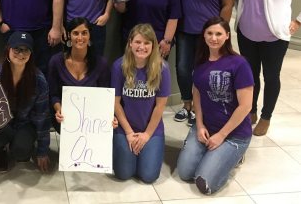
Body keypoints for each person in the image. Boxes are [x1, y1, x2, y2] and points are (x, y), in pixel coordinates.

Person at [233, 0, 301, 136]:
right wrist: (237, 6)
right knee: (250, 76)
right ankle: (250, 111)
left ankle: (266, 117)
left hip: (274, 37)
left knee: (271, 77)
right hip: (246, 34)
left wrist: (298, 21)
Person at [177, 16, 254, 194]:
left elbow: (246, 106)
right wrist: (199, 124)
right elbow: (197, 93)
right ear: (203, 35)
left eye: (219, 33)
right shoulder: (201, 61)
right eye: (210, 33)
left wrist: (221, 135)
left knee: (205, 184)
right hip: (206, 127)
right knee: (185, 172)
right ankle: (212, 155)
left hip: (233, 135)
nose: (214, 38)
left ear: (227, 36)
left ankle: (234, 156)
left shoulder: (239, 63)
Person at [174, 0, 235, 126]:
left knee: (205, 72)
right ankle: (187, 106)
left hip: (209, 35)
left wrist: (219, 31)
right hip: (185, 30)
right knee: (183, 69)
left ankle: (203, 109)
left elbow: (227, 4)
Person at [0, 31, 51, 173]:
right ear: (8, 50)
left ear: (31, 54)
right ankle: (2, 150)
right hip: (3, 123)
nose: (20, 53)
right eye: (16, 49)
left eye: (26, 49)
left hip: (25, 123)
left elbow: (42, 117)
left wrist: (42, 151)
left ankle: (19, 143)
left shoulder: (39, 80)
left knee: (22, 152)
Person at [111, 23, 171, 183]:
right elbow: (115, 103)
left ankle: (146, 153)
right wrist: (129, 133)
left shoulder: (162, 68)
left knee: (149, 176)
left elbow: (160, 106)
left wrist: (146, 135)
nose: (142, 47)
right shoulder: (119, 66)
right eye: (137, 42)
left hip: (150, 128)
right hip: (125, 127)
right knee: (123, 174)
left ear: (153, 45)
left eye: (146, 43)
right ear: (130, 43)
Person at [48, 17, 111, 132]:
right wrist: (59, 109)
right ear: (69, 36)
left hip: (93, 122)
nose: (80, 38)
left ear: (89, 36)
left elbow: (105, 98)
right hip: (65, 119)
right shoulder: (56, 62)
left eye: (84, 33)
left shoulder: (101, 64)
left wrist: (108, 118)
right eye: (75, 33)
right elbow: (53, 94)